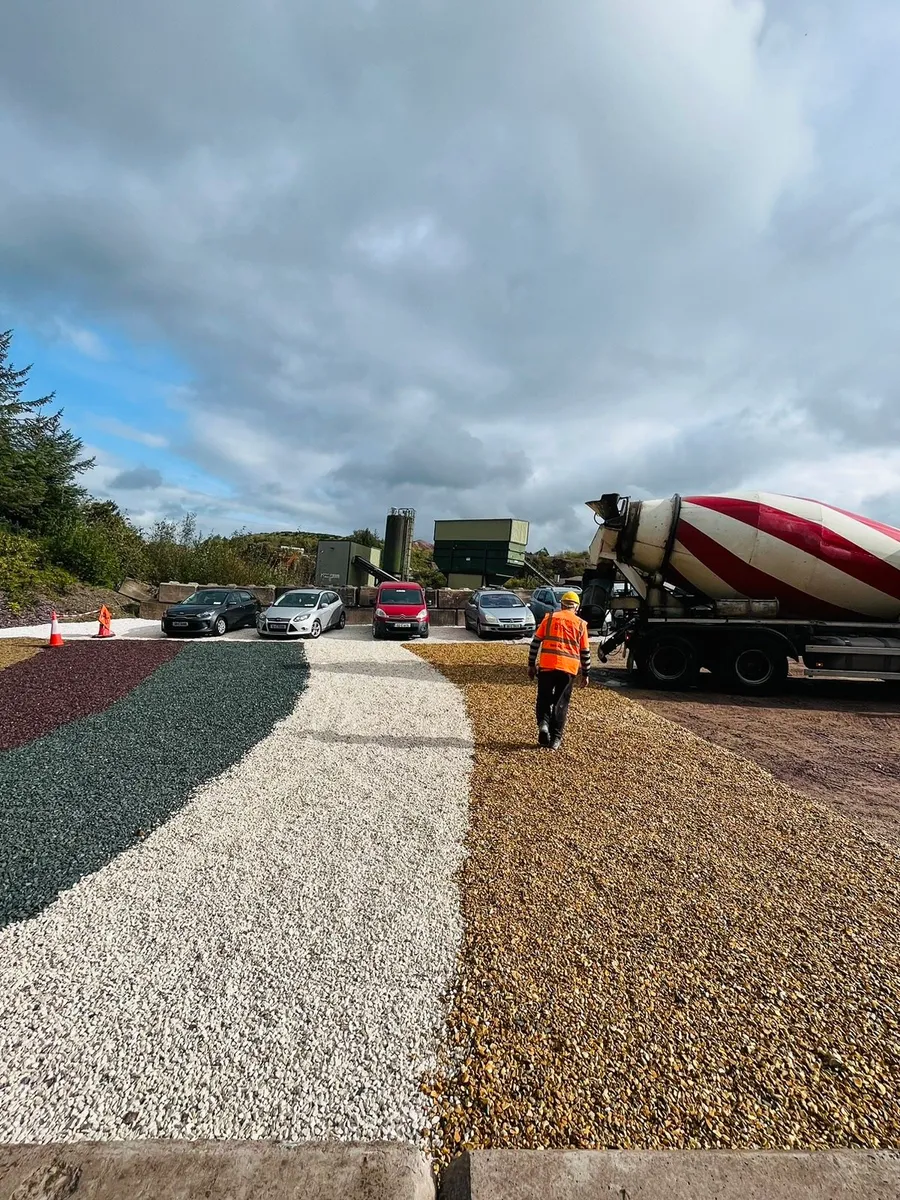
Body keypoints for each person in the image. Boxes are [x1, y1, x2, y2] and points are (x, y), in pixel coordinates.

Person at [527, 591, 590, 750]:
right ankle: (555, 739)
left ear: (561, 605)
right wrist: (586, 674)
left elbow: (535, 643)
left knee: (543, 698)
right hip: (568, 669)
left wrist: (531, 665)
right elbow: (585, 652)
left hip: (547, 666)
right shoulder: (581, 624)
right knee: (561, 704)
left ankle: (543, 724)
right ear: (576, 607)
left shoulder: (548, 619)